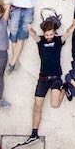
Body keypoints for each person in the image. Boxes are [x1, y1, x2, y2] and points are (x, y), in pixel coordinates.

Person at [28, 12, 66, 140]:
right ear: (44, 34)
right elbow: (33, 35)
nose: (49, 36)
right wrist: (30, 29)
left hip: (56, 78)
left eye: (51, 34)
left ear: (54, 33)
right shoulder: (41, 41)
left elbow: (68, 33)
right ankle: (34, 132)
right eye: (47, 34)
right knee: (36, 106)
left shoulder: (58, 41)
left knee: (55, 105)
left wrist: (74, 24)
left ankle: (64, 89)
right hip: (43, 79)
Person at [7, 0, 47, 73]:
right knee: (13, 35)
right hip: (15, 7)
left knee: (22, 35)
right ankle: (15, 61)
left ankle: (12, 63)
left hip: (28, 8)